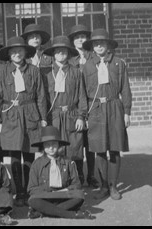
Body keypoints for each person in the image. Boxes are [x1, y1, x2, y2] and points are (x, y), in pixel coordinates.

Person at [0, 36, 47, 206]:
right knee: (14, 152)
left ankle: (30, 189)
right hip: (10, 113)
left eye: (20, 50)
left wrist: (42, 118)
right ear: (9, 54)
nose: (17, 54)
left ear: (25, 52)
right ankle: (20, 191)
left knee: (29, 153)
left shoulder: (33, 70)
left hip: (30, 112)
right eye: (13, 51)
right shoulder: (2, 71)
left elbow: (40, 95)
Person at [82, 29, 132, 200]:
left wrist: (127, 112)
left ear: (109, 45)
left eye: (102, 43)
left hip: (114, 107)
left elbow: (125, 89)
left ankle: (113, 186)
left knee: (115, 148)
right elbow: (82, 93)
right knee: (99, 149)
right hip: (95, 109)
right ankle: (103, 185)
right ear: (92, 47)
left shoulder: (118, 63)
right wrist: (84, 115)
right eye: (96, 44)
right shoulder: (87, 65)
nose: (99, 46)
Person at [41, 35, 88, 186]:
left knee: (74, 149)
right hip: (54, 116)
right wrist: (44, 119)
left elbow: (82, 96)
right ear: (53, 54)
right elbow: (42, 98)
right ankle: (56, 180)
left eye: (64, 51)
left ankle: (78, 180)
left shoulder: (76, 72)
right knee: (54, 148)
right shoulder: (46, 73)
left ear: (68, 54)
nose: (61, 54)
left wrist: (81, 116)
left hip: (72, 115)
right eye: (58, 51)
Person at [27, 126, 94, 220]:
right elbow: (31, 188)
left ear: (59, 145)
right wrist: (48, 193)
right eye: (47, 144)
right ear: (43, 146)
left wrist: (64, 190)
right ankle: (71, 215)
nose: (51, 148)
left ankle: (42, 211)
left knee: (79, 196)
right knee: (33, 200)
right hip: (45, 197)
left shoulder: (68, 161)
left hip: (63, 196)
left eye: (54, 144)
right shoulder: (36, 164)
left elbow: (77, 184)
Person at [67, 24, 99, 188]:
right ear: (72, 41)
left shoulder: (93, 57)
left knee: (91, 142)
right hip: (78, 103)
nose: (80, 40)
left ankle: (91, 175)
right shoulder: (70, 59)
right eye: (76, 37)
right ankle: (79, 174)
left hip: (92, 102)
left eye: (83, 37)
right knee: (77, 141)